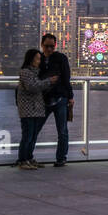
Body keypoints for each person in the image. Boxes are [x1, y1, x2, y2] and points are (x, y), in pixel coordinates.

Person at [15, 48, 55, 171]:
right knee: (27, 136)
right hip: (28, 110)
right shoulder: (26, 72)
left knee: (32, 136)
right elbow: (32, 87)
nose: (39, 61)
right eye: (37, 58)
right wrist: (48, 81)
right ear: (31, 59)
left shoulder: (35, 72)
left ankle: (29, 158)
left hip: (35, 109)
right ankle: (23, 160)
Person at [37, 32, 73, 167]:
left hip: (60, 99)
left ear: (55, 45)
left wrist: (70, 97)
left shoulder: (61, 58)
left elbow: (66, 78)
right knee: (36, 129)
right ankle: (28, 157)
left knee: (62, 131)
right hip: (43, 99)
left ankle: (61, 158)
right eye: (47, 46)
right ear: (42, 45)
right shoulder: (38, 58)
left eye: (52, 46)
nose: (49, 49)